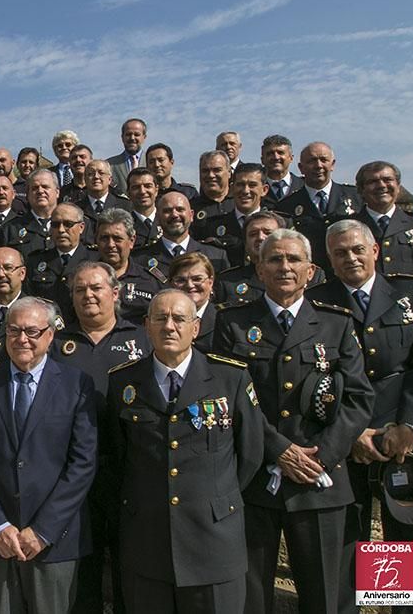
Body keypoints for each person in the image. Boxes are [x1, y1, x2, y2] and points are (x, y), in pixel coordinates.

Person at [212, 229, 374, 614]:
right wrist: (279, 450)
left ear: (311, 271)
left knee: (328, 595)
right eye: (274, 259)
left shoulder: (336, 323)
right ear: (259, 270)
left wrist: (320, 458)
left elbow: (358, 398)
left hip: (320, 483)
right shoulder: (233, 324)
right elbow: (229, 401)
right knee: (251, 598)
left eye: (293, 260)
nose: (284, 267)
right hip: (255, 481)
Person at [105, 290, 264, 613]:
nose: (169, 326)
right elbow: (117, 455)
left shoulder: (230, 377)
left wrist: (215, 498)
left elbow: (250, 453)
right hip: (148, 542)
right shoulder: (123, 382)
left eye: (179, 318)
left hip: (213, 542)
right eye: (160, 318)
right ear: (146, 326)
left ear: (196, 327)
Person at [304, 219, 413, 611]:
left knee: (402, 537)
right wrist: (350, 432)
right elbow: (312, 374)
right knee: (349, 541)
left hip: (403, 436)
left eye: (358, 249)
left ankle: (395, 605)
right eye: (340, 253)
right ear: (329, 259)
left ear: (375, 250)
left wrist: (410, 424)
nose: (351, 258)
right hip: (345, 435)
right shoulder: (315, 299)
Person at [0, 296, 98, 614]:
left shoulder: (77, 385)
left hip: (54, 540)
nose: (22, 339)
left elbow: (83, 464)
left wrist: (44, 529)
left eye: (32, 331)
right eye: (14, 331)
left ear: (50, 335)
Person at [50, 261, 149, 613]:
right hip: (74, 475)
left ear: (115, 292)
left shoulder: (141, 337)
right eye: (80, 290)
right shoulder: (57, 344)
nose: (88, 295)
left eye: (96, 288)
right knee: (83, 568)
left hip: (127, 471)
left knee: (129, 566)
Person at [276, 141, 362, 273]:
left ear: (332, 164)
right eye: (312, 161)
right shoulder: (286, 206)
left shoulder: (356, 196)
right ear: (301, 167)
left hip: (349, 273)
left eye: (323, 160)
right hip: (310, 279)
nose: (318, 165)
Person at [352, 160, 413, 275]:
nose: (382, 185)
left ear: (398, 186)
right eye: (373, 181)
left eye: (388, 180)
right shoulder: (349, 226)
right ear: (361, 190)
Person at [26, 202, 97, 320]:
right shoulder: (36, 261)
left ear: (81, 227)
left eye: (68, 224)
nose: (61, 230)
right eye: (55, 225)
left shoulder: (95, 260)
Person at [95, 208, 167, 323]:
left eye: (117, 238)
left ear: (132, 241)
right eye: (104, 238)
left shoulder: (150, 281)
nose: (110, 244)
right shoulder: (85, 280)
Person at [132, 191, 229, 275]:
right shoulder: (139, 259)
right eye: (167, 211)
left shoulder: (215, 256)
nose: (174, 215)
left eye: (180, 209)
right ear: (157, 218)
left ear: (191, 215)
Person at [199, 163, 270, 266]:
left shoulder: (279, 224)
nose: (245, 191)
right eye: (240, 184)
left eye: (252, 185)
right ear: (232, 189)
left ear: (264, 190)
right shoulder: (212, 226)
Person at [0, 168, 59, 259]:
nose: (40, 191)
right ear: (27, 195)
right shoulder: (10, 229)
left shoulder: (71, 224)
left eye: (45, 187)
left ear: (57, 192)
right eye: (35, 188)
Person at [168, 252, 218, 352]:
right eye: (181, 280)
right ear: (171, 284)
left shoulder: (223, 319)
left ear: (210, 282)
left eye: (197, 279)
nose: (190, 285)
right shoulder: (163, 320)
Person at [74, 159, 131, 244]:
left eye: (101, 173)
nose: (96, 177)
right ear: (85, 179)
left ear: (110, 179)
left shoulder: (125, 206)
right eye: (91, 174)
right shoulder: (75, 209)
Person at [191, 150, 234, 232]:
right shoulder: (191, 208)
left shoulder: (240, 203)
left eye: (217, 170)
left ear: (229, 172)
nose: (210, 175)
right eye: (205, 171)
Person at [106, 118, 147, 195]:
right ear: (122, 137)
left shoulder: (152, 161)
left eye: (137, 134)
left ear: (144, 137)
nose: (132, 138)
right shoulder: (109, 164)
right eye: (128, 134)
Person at [260, 134, 304, 206]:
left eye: (280, 153)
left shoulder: (303, 186)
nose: (276, 157)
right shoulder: (255, 188)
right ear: (262, 160)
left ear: (291, 158)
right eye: (270, 153)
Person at [126, 167, 162, 247]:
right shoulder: (123, 225)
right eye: (136, 187)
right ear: (128, 193)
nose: (142, 191)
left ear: (156, 190)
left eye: (148, 186)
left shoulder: (167, 220)